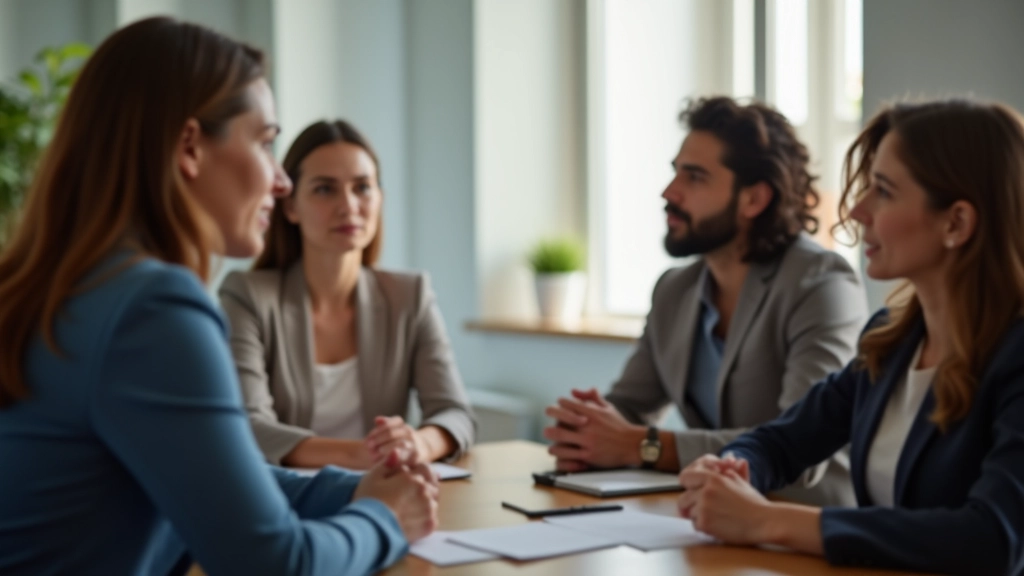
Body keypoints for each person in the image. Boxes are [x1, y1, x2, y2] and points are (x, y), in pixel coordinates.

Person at [0, 17, 437, 576]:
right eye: (264, 143)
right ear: (189, 147)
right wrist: (385, 519)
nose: (281, 181)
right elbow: (272, 564)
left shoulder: (72, 287)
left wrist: (352, 491)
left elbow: (212, 476)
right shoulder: (151, 308)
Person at [678, 99, 1024, 575]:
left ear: (956, 222)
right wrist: (733, 469)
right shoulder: (890, 341)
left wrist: (767, 521)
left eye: (884, 191)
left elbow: (994, 539)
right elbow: (780, 442)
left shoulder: (1015, 355)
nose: (859, 210)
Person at [543, 96, 867, 506]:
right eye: (675, 172)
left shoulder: (821, 283)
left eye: (694, 177)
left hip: (803, 523)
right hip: (710, 516)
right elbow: (631, 407)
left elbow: (801, 449)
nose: (669, 192)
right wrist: (586, 431)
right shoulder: (675, 289)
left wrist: (643, 446)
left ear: (754, 200)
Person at [219, 120, 475, 470]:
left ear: (380, 198)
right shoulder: (247, 296)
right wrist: (364, 455)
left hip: (386, 490)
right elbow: (248, 426)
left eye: (363, 187)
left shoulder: (410, 296)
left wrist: (419, 443)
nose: (349, 205)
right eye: (325, 189)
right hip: (287, 493)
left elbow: (455, 413)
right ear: (290, 206)